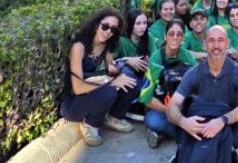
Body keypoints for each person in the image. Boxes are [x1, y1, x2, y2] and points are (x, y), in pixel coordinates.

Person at [166, 26, 238, 163]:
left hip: (226, 124)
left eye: (221, 40)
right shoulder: (193, 72)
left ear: (227, 43)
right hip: (200, 124)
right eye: (211, 41)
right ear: (205, 45)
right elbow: (172, 106)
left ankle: (227, 147)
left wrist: (222, 121)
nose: (216, 46)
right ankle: (191, 149)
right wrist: (184, 122)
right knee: (173, 116)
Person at [59, 9, 140, 146]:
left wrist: (116, 71)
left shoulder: (104, 45)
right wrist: (111, 80)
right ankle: (90, 125)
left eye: (113, 29)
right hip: (73, 103)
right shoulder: (79, 47)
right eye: (105, 26)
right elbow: (78, 88)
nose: (108, 31)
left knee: (131, 79)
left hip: (92, 89)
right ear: (96, 24)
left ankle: (114, 117)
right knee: (109, 91)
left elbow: (112, 67)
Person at [143, 19, 197, 148]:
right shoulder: (155, 59)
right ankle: (184, 136)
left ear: (183, 37)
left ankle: (163, 135)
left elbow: (196, 88)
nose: (175, 37)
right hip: (161, 108)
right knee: (153, 121)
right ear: (165, 36)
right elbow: (146, 97)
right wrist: (171, 111)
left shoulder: (188, 57)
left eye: (179, 34)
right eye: (171, 34)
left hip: (184, 107)